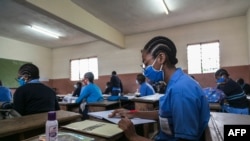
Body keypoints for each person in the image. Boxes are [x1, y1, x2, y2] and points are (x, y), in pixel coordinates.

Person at [109, 36, 210, 141]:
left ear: (161, 58)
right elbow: (167, 113)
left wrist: (133, 136)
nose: (145, 70)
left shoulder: (180, 90)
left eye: (146, 63)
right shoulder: (175, 83)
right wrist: (133, 113)